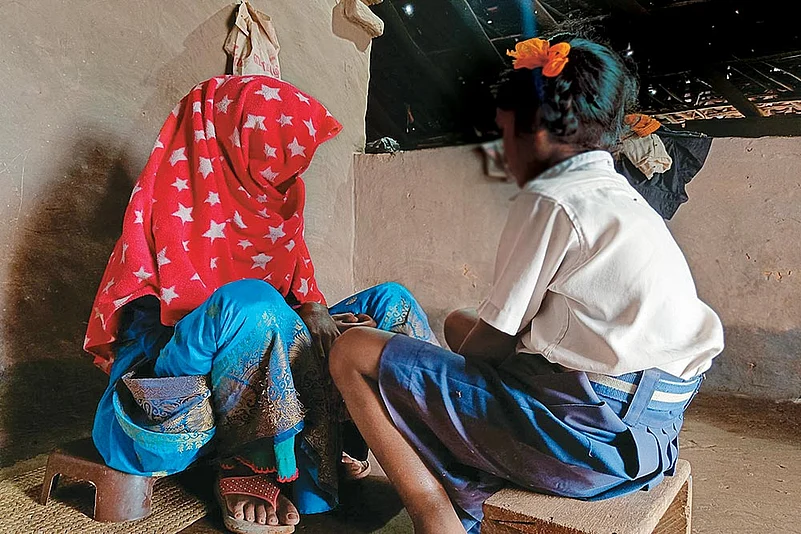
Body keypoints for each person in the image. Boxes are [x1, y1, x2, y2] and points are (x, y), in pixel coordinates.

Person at [328, 36, 724, 534]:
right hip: (649, 440)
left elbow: (490, 349)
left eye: (505, 133)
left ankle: (438, 516)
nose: (503, 151)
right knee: (455, 322)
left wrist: (405, 363)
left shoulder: (552, 198)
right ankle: (465, 476)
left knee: (352, 350)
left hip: (585, 444)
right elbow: (505, 332)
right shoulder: (622, 198)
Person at [84, 75, 439, 533]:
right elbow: (180, 325)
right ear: (230, 148)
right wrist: (281, 316)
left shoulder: (277, 207)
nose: (286, 181)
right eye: (275, 165)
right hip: (172, 381)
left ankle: (421, 442)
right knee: (254, 304)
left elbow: (294, 313)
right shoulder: (172, 203)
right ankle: (247, 465)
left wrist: (321, 317)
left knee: (391, 302)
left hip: (263, 340)